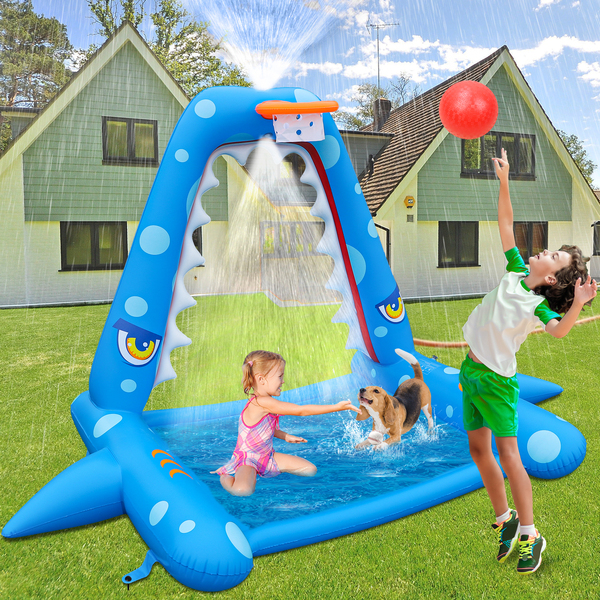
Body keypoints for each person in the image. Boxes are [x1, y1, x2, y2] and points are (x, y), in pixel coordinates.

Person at [459, 148, 597, 574]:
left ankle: (530, 534)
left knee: (509, 456)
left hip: (497, 383)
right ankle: (505, 520)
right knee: (478, 449)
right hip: (471, 372)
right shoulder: (516, 271)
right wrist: (504, 181)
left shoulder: (536, 304)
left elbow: (558, 331)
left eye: (552, 256)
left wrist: (578, 303)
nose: (544, 251)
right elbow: (505, 224)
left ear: (551, 278)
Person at [214, 350, 360, 496]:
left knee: (310, 470)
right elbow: (301, 411)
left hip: (266, 456)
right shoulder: (262, 402)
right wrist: (337, 407)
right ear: (261, 379)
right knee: (243, 491)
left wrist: (285, 436)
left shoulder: (264, 402)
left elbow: (260, 429)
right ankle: (225, 477)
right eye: (280, 376)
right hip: (248, 459)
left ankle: (257, 473)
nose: (283, 381)